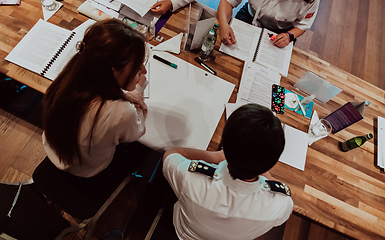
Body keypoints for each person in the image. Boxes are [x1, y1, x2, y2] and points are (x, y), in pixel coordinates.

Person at [42, 19, 149, 193]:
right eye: (137, 65)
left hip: (56, 151)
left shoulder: (70, 78)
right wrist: (138, 92)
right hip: (87, 173)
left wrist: (121, 94)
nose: (143, 71)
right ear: (113, 70)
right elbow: (137, 131)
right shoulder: (121, 113)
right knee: (144, 150)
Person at [162, 103, 293, 239]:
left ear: (225, 141)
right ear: (272, 163)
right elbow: (286, 212)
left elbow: (170, 155)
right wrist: (259, 164)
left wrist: (216, 157)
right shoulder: (280, 203)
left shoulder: (190, 177)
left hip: (185, 234)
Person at [218, 0, 319, 48]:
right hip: (249, 16)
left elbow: (303, 25)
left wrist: (289, 36)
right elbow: (228, 2)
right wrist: (224, 25)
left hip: (281, 32)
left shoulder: (310, 1)